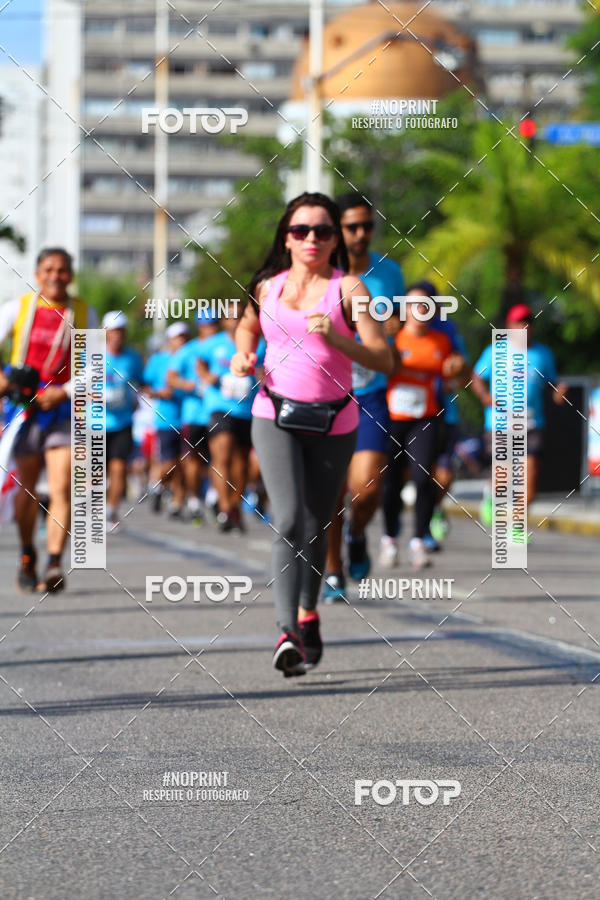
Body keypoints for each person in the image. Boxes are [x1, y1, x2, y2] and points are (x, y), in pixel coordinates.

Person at [231, 191, 393, 677]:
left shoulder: (350, 290)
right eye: (301, 230)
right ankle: (286, 632)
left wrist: (335, 338)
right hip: (273, 412)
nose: (312, 239)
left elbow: (383, 358)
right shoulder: (267, 287)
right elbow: (246, 329)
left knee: (318, 523)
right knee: (288, 519)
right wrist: (242, 356)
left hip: (334, 419)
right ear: (287, 236)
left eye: (323, 231)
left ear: (334, 239)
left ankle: (307, 610)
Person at [322, 192, 405, 601]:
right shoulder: (322, 273)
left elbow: (401, 322)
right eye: (352, 227)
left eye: (367, 226)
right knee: (332, 491)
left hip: (370, 393)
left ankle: (357, 535)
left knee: (366, 488)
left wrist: (393, 326)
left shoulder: (389, 273)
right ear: (337, 230)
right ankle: (333, 569)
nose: (360, 234)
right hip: (326, 394)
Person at [0, 247, 97, 592]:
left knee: (61, 486)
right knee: (26, 490)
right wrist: (5, 381)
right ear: (38, 273)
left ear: (71, 274)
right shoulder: (18, 309)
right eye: (49, 269)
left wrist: (66, 390)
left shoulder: (84, 312)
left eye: (63, 270)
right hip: (23, 409)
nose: (56, 276)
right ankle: (28, 552)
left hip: (62, 408)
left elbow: (94, 366)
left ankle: (55, 562)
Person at [382, 287, 467, 570]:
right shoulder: (392, 337)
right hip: (393, 418)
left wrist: (458, 368)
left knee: (422, 479)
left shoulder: (441, 340)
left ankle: (418, 541)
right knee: (391, 483)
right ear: (404, 309)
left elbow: (461, 373)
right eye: (413, 304)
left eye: (426, 305)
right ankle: (389, 540)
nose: (420, 310)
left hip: (426, 418)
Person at [471, 303, 568, 535]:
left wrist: (559, 392)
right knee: (503, 477)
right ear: (509, 326)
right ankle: (491, 495)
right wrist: (484, 395)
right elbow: (475, 377)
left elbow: (552, 383)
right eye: (518, 322)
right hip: (500, 423)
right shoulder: (495, 351)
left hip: (531, 423)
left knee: (530, 479)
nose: (523, 327)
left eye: (527, 322)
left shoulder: (543, 354)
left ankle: (517, 526)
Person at [196, 310, 264, 532]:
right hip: (219, 406)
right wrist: (207, 378)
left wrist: (260, 377)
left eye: (239, 317)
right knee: (222, 453)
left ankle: (235, 505)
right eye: (230, 317)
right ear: (223, 321)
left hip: (246, 409)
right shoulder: (212, 343)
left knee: (241, 463)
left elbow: (265, 369)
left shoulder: (259, 343)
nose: (234, 321)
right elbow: (200, 363)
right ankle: (224, 508)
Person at [168, 311, 220, 521]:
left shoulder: (225, 345)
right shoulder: (189, 350)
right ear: (199, 326)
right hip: (194, 414)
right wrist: (185, 384)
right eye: (207, 325)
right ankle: (196, 498)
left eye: (214, 324)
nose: (211, 329)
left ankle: (216, 497)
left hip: (220, 411)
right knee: (193, 460)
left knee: (220, 457)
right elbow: (170, 377)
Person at [142, 322, 188, 517]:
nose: (181, 341)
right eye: (177, 337)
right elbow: (145, 385)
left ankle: (177, 503)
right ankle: (157, 485)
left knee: (184, 463)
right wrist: (159, 393)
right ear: (170, 340)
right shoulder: (159, 360)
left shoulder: (192, 356)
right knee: (169, 462)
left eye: (184, 337)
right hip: (166, 419)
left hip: (190, 417)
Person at [104, 311, 144, 526]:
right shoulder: (90, 356)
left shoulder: (133, 357)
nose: (116, 336)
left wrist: (137, 397)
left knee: (119, 467)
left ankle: (111, 510)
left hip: (123, 422)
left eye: (120, 331)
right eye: (113, 331)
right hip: (95, 422)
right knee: (96, 472)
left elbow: (141, 382)